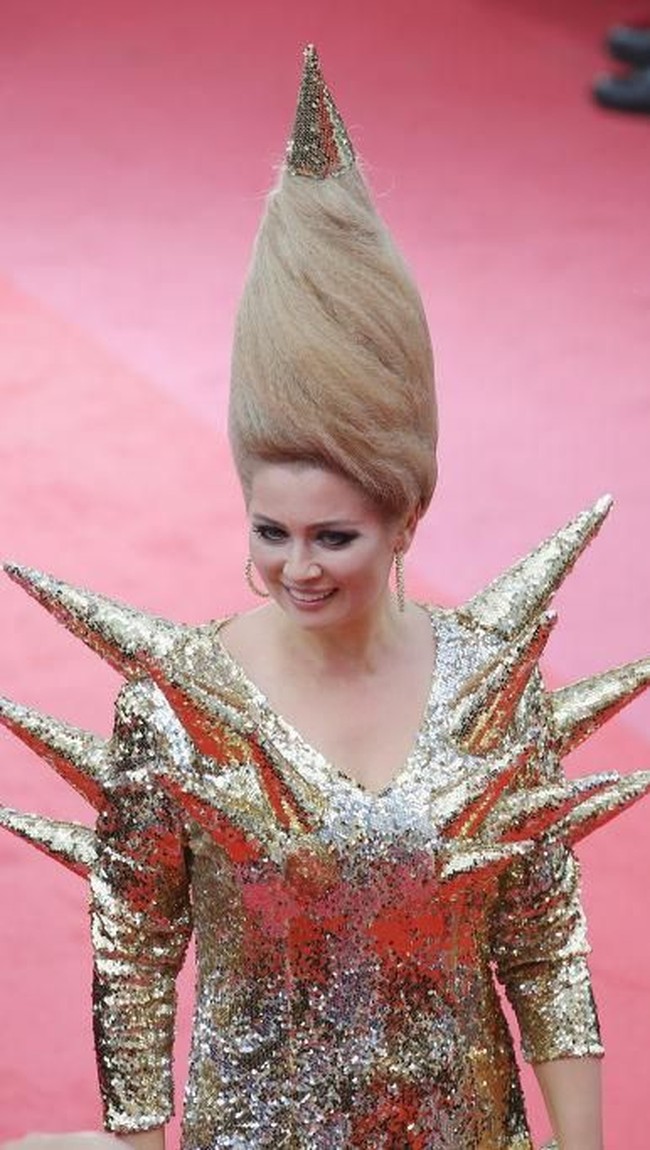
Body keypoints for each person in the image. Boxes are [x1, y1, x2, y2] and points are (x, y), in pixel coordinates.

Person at [2, 44, 650, 1150]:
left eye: (333, 536)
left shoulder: (490, 692)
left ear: (405, 521)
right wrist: (138, 1141)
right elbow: (135, 948)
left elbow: (544, 943)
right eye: (269, 532)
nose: (295, 567)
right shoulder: (177, 708)